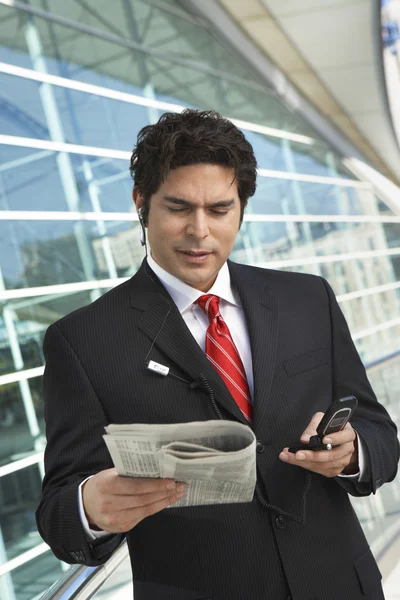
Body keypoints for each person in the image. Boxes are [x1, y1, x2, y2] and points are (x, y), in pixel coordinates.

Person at [36, 109, 399, 600]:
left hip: (339, 584)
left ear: (242, 207)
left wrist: (354, 451)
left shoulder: (307, 300)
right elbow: (59, 511)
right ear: (141, 203)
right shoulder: (81, 341)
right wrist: (92, 507)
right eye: (179, 207)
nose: (199, 231)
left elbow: (380, 432)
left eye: (220, 209)